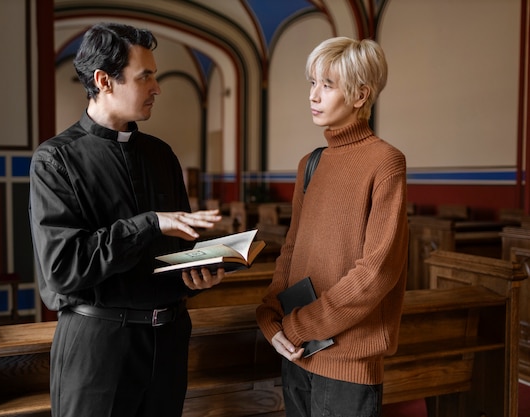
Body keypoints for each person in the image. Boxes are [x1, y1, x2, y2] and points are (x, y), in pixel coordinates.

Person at [29, 22, 225, 417]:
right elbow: (64, 268)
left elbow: (173, 253)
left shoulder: (162, 155)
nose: (157, 88)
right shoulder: (55, 160)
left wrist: (200, 271)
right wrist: (149, 223)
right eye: (145, 76)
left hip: (167, 345)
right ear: (104, 80)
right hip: (99, 348)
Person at [256, 37, 408, 417]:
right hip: (297, 353)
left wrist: (298, 325)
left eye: (327, 85)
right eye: (312, 83)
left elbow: (376, 273)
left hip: (348, 362)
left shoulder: (385, 162)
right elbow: (292, 251)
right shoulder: (310, 162)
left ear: (360, 95)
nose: (314, 95)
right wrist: (270, 316)